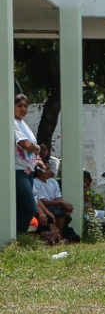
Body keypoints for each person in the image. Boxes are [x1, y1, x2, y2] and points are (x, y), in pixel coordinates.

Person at [13, 93, 41, 234]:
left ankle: (18, 238)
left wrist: (38, 157)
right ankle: (17, 235)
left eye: (25, 106)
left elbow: (32, 148)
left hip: (29, 171)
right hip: (19, 171)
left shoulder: (23, 123)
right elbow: (26, 145)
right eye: (19, 106)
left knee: (22, 207)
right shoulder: (12, 122)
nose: (23, 109)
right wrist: (38, 148)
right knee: (31, 207)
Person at [33, 161, 78, 242]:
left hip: (54, 205)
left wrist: (64, 204)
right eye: (47, 169)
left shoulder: (53, 182)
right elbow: (44, 201)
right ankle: (56, 235)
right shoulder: (35, 182)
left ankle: (58, 232)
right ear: (39, 171)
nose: (50, 171)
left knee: (63, 213)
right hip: (44, 207)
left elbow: (58, 197)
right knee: (54, 213)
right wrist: (62, 203)